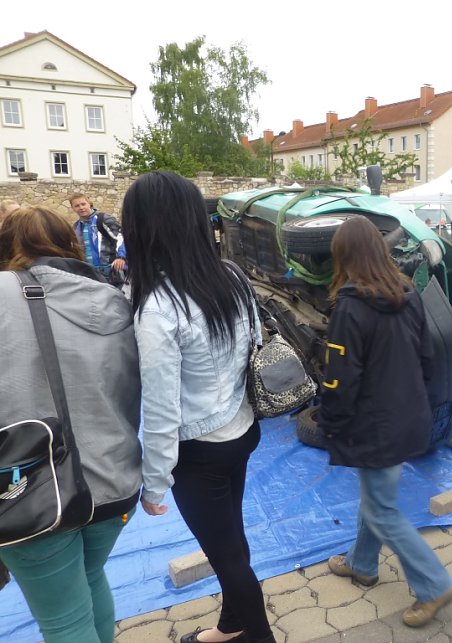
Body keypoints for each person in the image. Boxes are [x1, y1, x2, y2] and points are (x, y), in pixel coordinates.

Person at [122, 171, 275, 643]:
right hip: (242, 430)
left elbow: (163, 408)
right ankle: (231, 627)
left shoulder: (158, 308)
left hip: (199, 453)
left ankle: (258, 636)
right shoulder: (229, 275)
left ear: (143, 230)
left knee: (228, 556)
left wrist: (154, 482)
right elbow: (253, 343)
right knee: (232, 540)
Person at [0, 206, 142, 643]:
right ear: (70, 241)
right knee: (90, 577)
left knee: (64, 621)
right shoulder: (111, 298)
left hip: (28, 492)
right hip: (115, 483)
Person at [320, 216, 452, 627]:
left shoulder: (350, 306)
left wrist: (331, 421)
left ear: (343, 257)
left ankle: (435, 584)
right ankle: (362, 564)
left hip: (374, 425)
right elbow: (428, 357)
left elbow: (340, 377)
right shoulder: (408, 293)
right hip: (409, 416)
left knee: (382, 510)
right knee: (376, 495)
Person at [69, 193, 127, 287]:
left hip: (110, 272)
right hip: (89, 273)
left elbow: (122, 238)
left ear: (89, 204)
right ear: (73, 208)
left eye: (83, 204)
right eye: (77, 206)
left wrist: (121, 257)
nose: (81, 207)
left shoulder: (103, 219)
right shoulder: (76, 227)